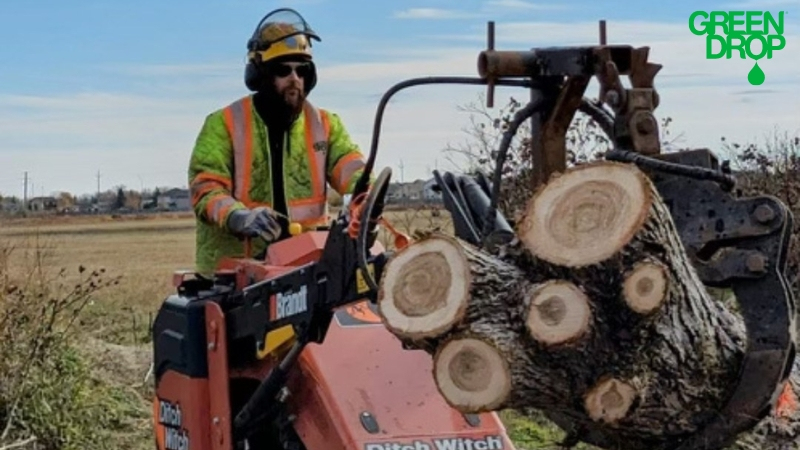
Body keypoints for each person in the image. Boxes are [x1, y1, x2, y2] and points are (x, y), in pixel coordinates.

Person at [188, 8, 368, 278]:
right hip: (234, 273)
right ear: (261, 76)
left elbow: (351, 166)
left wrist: (367, 194)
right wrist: (239, 217)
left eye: (302, 70)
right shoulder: (223, 123)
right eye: (283, 70)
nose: (295, 78)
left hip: (304, 264)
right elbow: (206, 188)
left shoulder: (325, 124)